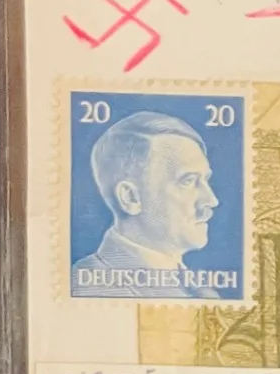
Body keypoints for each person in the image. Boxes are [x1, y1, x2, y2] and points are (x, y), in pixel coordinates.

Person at [72, 111, 223, 297]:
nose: (211, 200)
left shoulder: (196, 288)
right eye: (188, 181)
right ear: (130, 198)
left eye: (206, 180)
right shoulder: (93, 289)